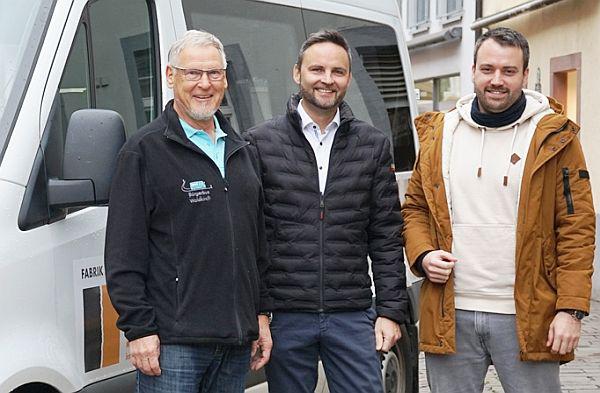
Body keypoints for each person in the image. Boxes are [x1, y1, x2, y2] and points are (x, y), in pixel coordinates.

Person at [402, 27, 595, 393]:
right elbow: (415, 208)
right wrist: (423, 253)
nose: (497, 80)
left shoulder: (555, 138)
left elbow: (576, 227)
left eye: (508, 71)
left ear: (525, 75)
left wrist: (570, 311)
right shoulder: (441, 133)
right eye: (488, 69)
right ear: (472, 69)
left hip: (528, 315)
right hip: (449, 313)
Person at [104, 30, 272, 393]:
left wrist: (260, 315)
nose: (204, 84)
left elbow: (257, 245)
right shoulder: (143, 151)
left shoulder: (242, 151)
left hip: (235, 341)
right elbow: (123, 253)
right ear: (170, 76)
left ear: (225, 79)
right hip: (172, 344)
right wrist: (140, 330)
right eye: (192, 73)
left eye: (214, 73)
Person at [244, 29, 408, 393]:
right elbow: (253, 236)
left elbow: (385, 233)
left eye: (338, 71)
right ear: (297, 73)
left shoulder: (373, 144)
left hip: (351, 313)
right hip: (286, 315)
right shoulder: (260, 142)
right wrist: (259, 312)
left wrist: (391, 311)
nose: (327, 80)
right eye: (317, 69)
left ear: (348, 78)